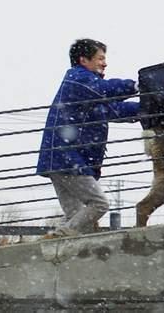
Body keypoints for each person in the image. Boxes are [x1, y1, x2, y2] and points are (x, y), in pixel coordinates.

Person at [36, 39, 140, 238]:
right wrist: (138, 85)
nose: (105, 63)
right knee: (99, 204)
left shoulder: (88, 91)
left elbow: (116, 109)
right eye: (100, 58)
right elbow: (105, 89)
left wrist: (151, 107)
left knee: (76, 216)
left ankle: (55, 253)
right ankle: (59, 237)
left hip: (59, 159)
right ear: (83, 60)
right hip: (67, 158)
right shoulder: (78, 78)